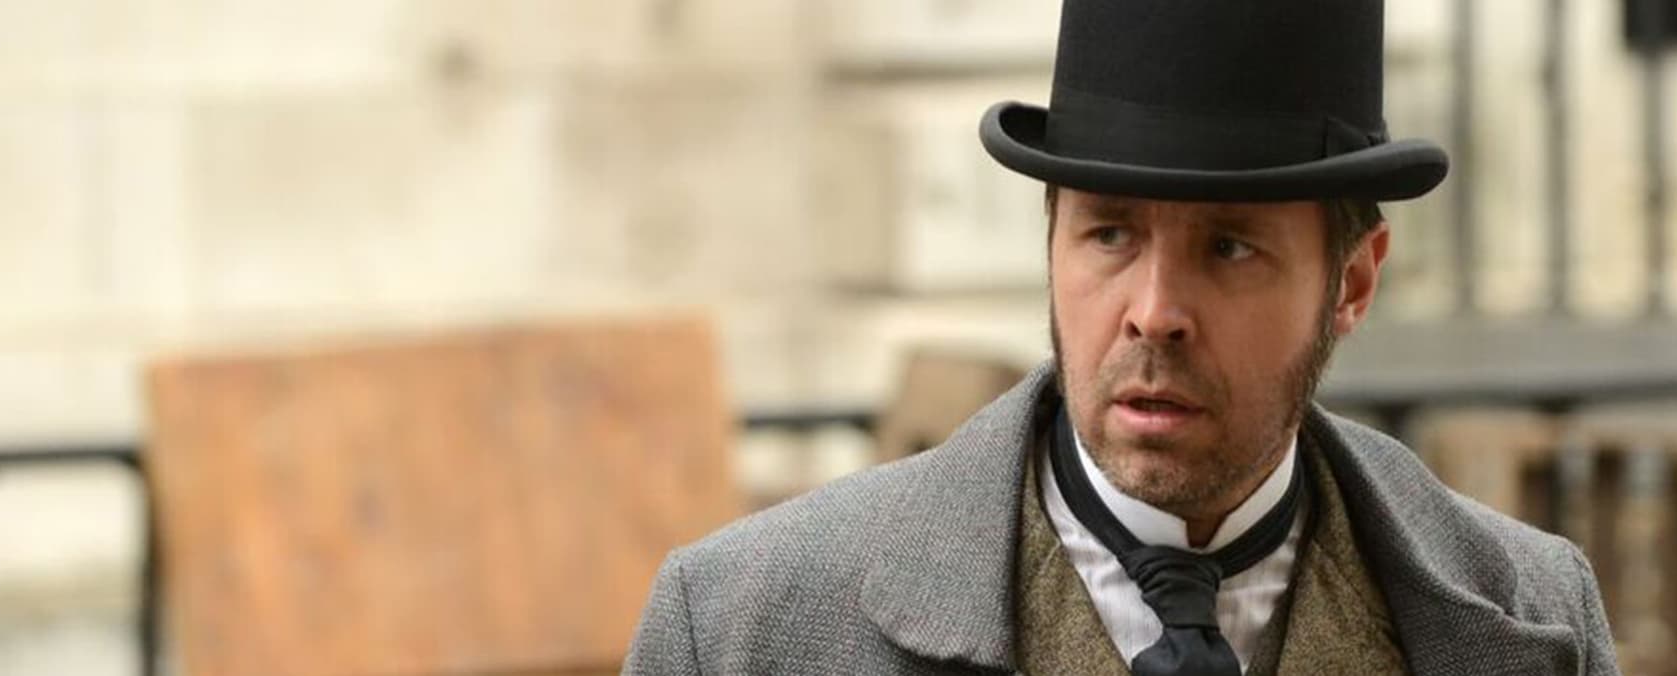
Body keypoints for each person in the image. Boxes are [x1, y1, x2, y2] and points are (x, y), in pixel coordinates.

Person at [624, 0, 1619, 673]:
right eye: (1109, 233)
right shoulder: (746, 630)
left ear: (1351, 282)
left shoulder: (1529, 617)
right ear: (1051, 238)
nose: (1154, 311)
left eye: (1229, 247)